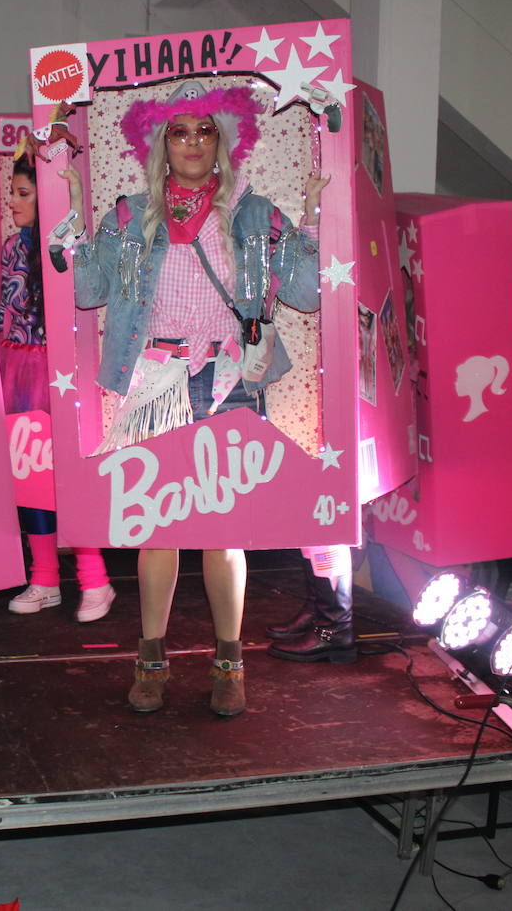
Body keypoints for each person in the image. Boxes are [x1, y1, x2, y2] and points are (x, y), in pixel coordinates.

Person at [65, 80, 327, 715]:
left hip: (231, 376)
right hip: (156, 376)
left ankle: (229, 664)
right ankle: (150, 655)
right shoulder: (130, 215)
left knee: (223, 530)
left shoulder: (253, 212)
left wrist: (311, 219)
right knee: (160, 528)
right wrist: (77, 215)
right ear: (160, 143)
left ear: (222, 142)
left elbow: (306, 295)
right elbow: (88, 292)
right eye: (178, 132)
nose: (190, 143)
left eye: (203, 131)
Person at [0, 156, 114, 622]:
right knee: (30, 477)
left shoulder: (65, 248)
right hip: (17, 372)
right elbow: (6, 310)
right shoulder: (10, 248)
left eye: (24, 194)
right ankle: (44, 576)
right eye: (12, 192)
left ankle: (95, 579)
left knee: (70, 476)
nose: (13, 202)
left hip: (62, 375)